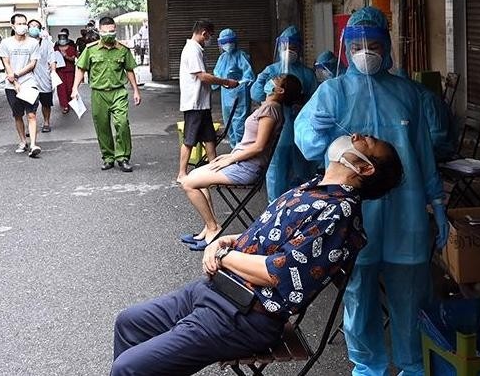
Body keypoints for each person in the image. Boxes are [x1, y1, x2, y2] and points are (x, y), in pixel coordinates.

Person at [110, 134, 404, 376]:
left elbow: (280, 271)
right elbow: (270, 236)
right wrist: (227, 240)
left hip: (244, 316)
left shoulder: (338, 213)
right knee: (129, 322)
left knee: (128, 369)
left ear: (365, 169)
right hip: (215, 291)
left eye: (366, 142)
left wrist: (223, 255)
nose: (355, 136)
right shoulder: (315, 189)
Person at [294, 6, 449, 376]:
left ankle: (413, 367)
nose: (367, 50)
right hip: (354, 213)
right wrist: (334, 144)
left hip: (406, 215)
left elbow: (425, 155)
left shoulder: (410, 94)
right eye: (359, 44)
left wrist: (437, 201)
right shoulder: (332, 93)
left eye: (374, 43)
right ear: (346, 48)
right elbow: (308, 142)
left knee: (409, 299)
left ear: (388, 45)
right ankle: (366, 367)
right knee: (358, 296)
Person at [179, 74, 302, 251]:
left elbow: (259, 147)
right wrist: (230, 156)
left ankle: (213, 228)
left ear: (280, 90)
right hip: (241, 162)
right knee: (196, 176)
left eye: (276, 79)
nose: (270, 79)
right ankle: (208, 227)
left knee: (188, 183)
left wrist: (231, 158)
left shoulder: (271, 110)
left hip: (246, 168)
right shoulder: (268, 107)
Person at [251, 25, 318, 202]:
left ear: (300, 49)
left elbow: (315, 102)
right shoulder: (271, 71)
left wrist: (302, 105)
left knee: (303, 172)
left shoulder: (307, 75)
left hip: (300, 131)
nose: (289, 51)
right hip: (277, 132)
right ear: (279, 48)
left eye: (293, 48)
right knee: (276, 172)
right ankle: (276, 209)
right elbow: (257, 94)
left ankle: (302, 209)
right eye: (286, 47)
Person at [72, 16, 142, 172]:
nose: (109, 34)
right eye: (105, 32)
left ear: (115, 30)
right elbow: (80, 68)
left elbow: (129, 69)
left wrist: (136, 90)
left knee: (122, 124)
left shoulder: (123, 50)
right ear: (99, 31)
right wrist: (74, 88)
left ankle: (123, 157)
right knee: (102, 126)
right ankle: (108, 157)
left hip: (118, 92)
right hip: (98, 93)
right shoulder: (91, 49)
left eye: (111, 31)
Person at [177, 19, 240, 182]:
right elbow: (203, 76)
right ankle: (182, 173)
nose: (210, 40)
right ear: (204, 33)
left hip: (202, 103)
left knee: (209, 137)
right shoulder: (192, 50)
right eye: (210, 36)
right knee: (190, 139)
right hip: (194, 103)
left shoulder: (197, 49)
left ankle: (214, 168)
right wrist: (226, 82)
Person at [0, 13, 42, 157]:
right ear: (13, 26)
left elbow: (33, 63)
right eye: (19, 24)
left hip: (29, 82)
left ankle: (34, 144)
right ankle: (23, 141)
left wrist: (17, 75)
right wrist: (14, 80)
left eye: (24, 24)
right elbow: (6, 63)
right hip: (11, 85)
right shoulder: (6, 43)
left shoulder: (33, 43)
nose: (22, 26)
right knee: (18, 115)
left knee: (31, 114)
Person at [212, 28, 255, 147]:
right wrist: (220, 82)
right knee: (229, 122)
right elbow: (217, 75)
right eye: (225, 42)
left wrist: (239, 84)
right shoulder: (222, 58)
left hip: (240, 95)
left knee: (240, 123)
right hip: (226, 95)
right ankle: (234, 148)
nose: (228, 44)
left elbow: (249, 76)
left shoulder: (242, 56)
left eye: (230, 41)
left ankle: (241, 149)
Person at [27, 20, 56, 133]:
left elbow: (51, 57)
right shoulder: (25, 42)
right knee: (29, 103)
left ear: (40, 28)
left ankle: (46, 122)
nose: (34, 28)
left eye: (36, 26)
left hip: (44, 76)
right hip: (29, 76)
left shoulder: (46, 42)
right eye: (31, 26)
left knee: (46, 102)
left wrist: (53, 71)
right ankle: (31, 125)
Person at [55, 31, 78, 113]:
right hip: (59, 71)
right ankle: (65, 105)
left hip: (70, 71)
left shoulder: (71, 48)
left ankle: (70, 102)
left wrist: (65, 56)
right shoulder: (56, 48)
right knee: (61, 89)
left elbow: (74, 59)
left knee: (69, 88)